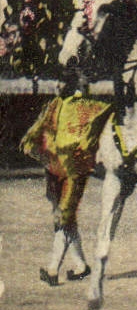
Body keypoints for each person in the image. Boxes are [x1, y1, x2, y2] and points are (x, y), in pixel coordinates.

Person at [20, 73, 111, 285]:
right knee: (62, 217)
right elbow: (38, 130)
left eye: (60, 82)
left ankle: (53, 269)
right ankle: (81, 266)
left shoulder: (82, 106)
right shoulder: (55, 105)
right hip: (53, 165)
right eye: (56, 81)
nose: (57, 85)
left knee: (65, 215)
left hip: (73, 168)